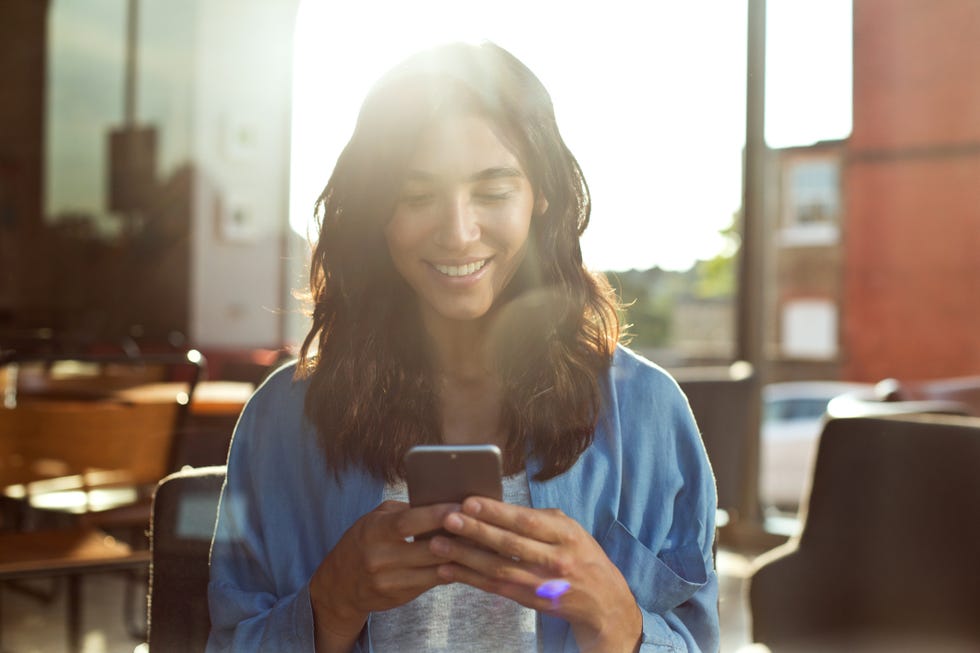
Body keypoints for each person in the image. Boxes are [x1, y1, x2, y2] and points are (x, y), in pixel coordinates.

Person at [207, 41, 719, 653]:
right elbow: (226, 639)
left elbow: (697, 637)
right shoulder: (282, 422)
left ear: (542, 198)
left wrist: (614, 620)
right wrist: (331, 606)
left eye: (494, 192)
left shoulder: (648, 416)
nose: (456, 232)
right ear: (376, 212)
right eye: (416, 196)